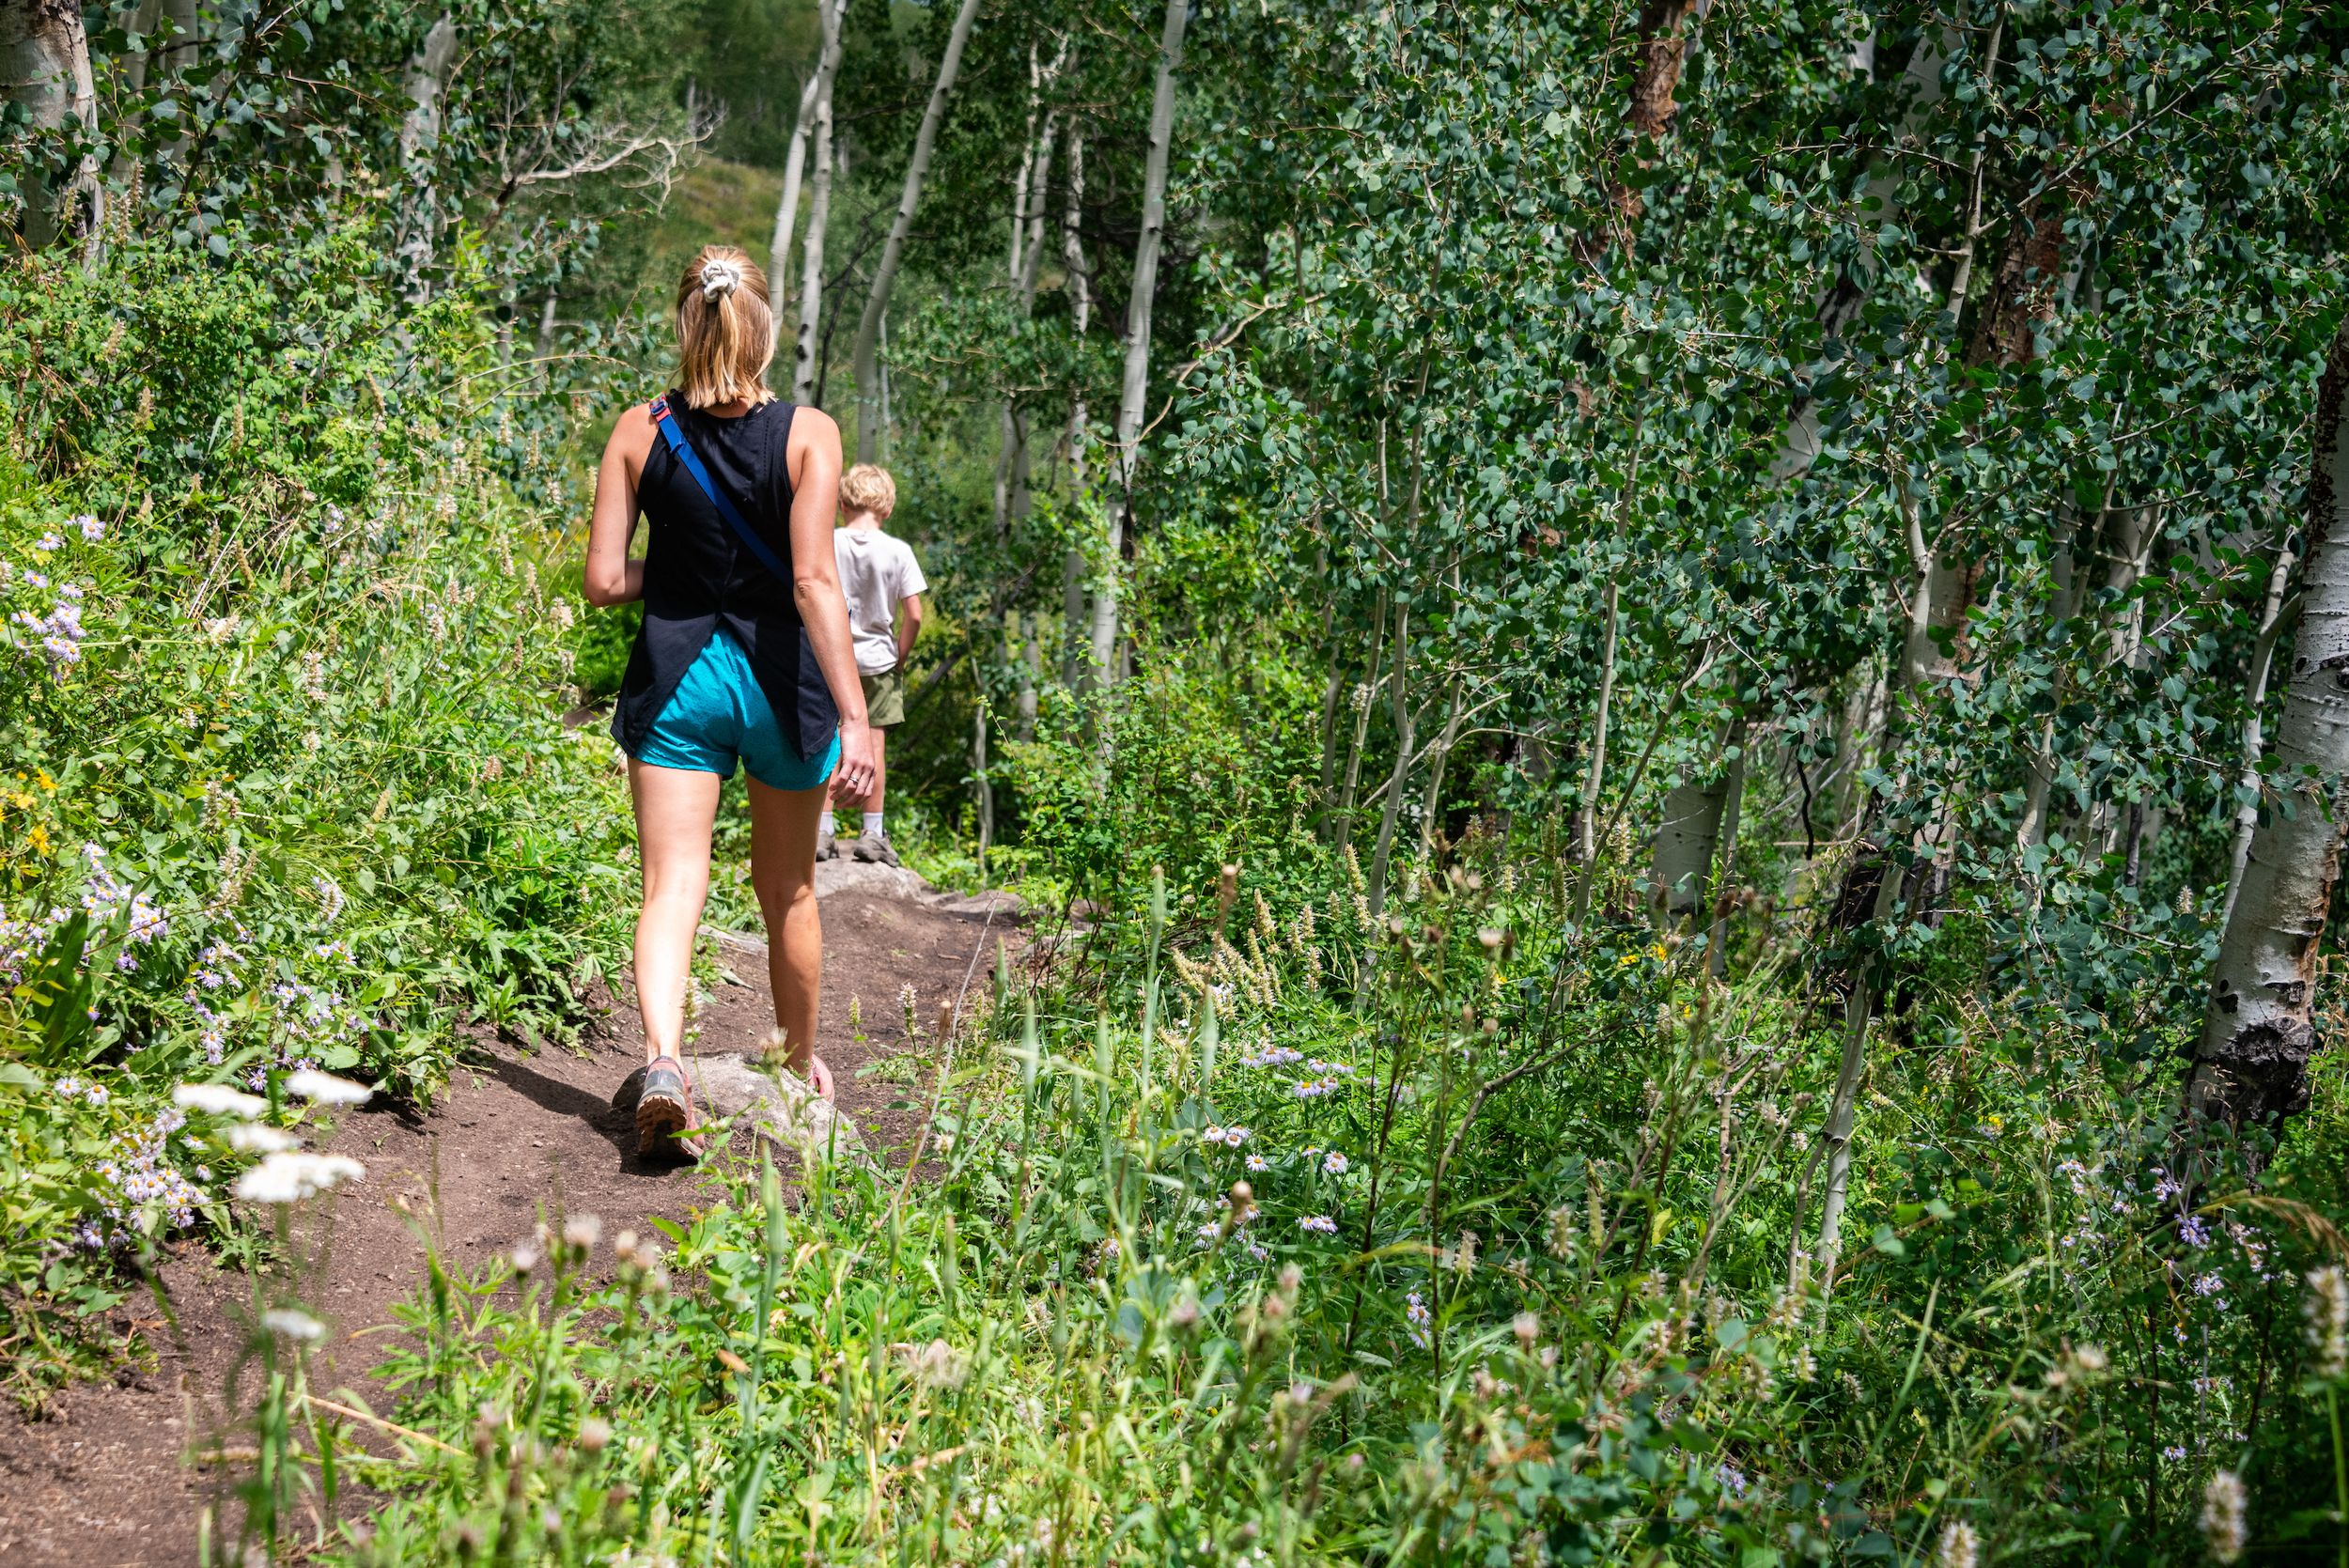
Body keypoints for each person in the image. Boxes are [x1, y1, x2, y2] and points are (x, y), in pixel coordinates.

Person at [583, 244, 876, 1158]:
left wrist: (668, 578)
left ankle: (664, 1061)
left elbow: (601, 580)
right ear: (762, 328)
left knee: (672, 885)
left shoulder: (638, 429)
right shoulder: (808, 433)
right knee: (788, 887)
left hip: (678, 679)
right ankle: (795, 1067)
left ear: (688, 322)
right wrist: (857, 715)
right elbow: (814, 581)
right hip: (779, 687)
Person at [817, 464, 926, 868]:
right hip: (880, 660)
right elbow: (913, 614)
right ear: (888, 508)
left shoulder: (828, 541)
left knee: (830, 740)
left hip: (830, 657)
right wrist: (900, 654)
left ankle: (822, 830)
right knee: (873, 746)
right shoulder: (899, 551)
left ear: (842, 504)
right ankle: (872, 833)